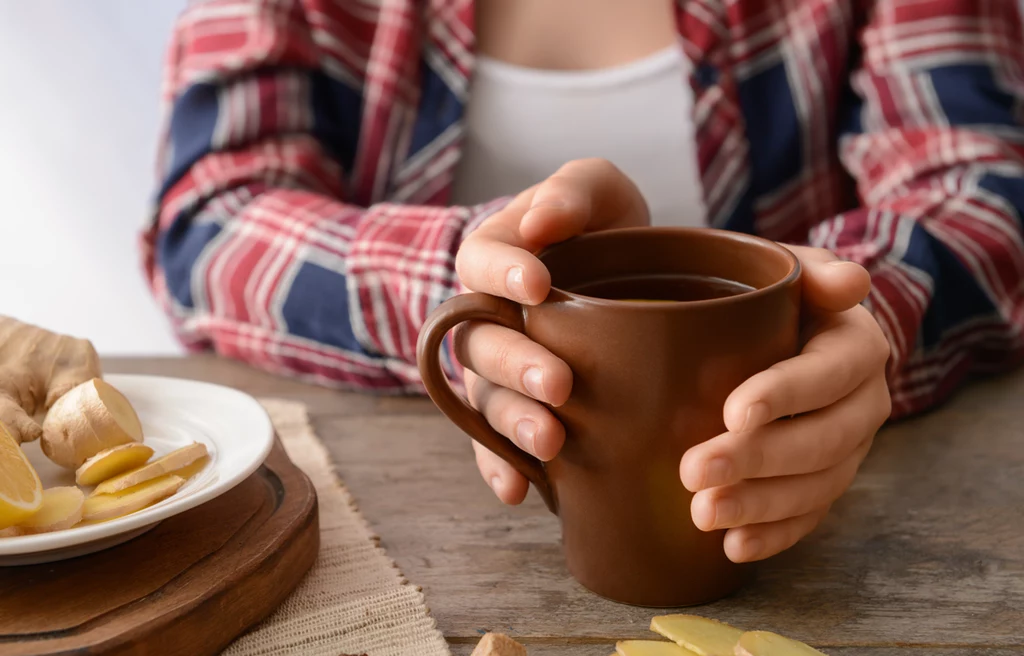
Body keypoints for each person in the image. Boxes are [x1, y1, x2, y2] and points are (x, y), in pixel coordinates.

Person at [143, 0, 1024, 563]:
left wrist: (863, 314)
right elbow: (210, 221)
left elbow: (982, 184)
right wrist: (481, 286)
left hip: (822, 522)